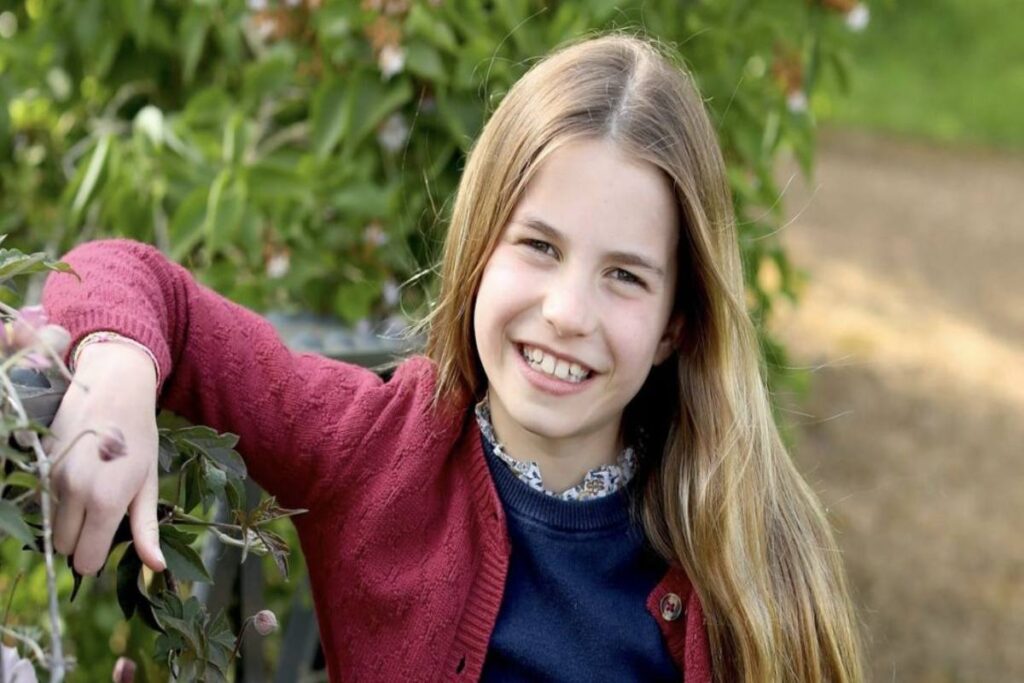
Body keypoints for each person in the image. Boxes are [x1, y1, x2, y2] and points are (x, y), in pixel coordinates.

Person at [41, 34, 863, 682]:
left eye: (624, 275)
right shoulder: (372, 447)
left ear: (676, 325)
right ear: (477, 252)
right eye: (539, 246)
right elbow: (130, 277)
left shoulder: (749, 548)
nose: (567, 312)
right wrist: (116, 365)